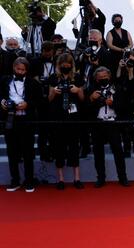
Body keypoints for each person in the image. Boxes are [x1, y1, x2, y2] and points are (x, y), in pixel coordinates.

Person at [0, 57, 42, 192]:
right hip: (10, 121)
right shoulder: (4, 80)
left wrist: (28, 104)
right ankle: (15, 181)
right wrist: (2, 102)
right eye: (18, 69)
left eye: (23, 70)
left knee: (28, 153)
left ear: (26, 70)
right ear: (13, 68)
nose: (20, 72)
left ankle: (29, 181)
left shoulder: (33, 83)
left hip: (26, 121)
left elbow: (40, 100)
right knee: (12, 152)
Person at [48, 53, 85, 190]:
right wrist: (55, 92)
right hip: (58, 116)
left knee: (75, 146)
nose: (65, 66)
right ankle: (61, 179)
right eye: (63, 64)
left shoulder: (77, 77)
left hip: (74, 117)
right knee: (59, 147)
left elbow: (82, 99)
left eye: (68, 64)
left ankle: (77, 178)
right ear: (59, 65)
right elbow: (49, 99)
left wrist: (77, 90)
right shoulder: (53, 78)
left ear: (72, 65)